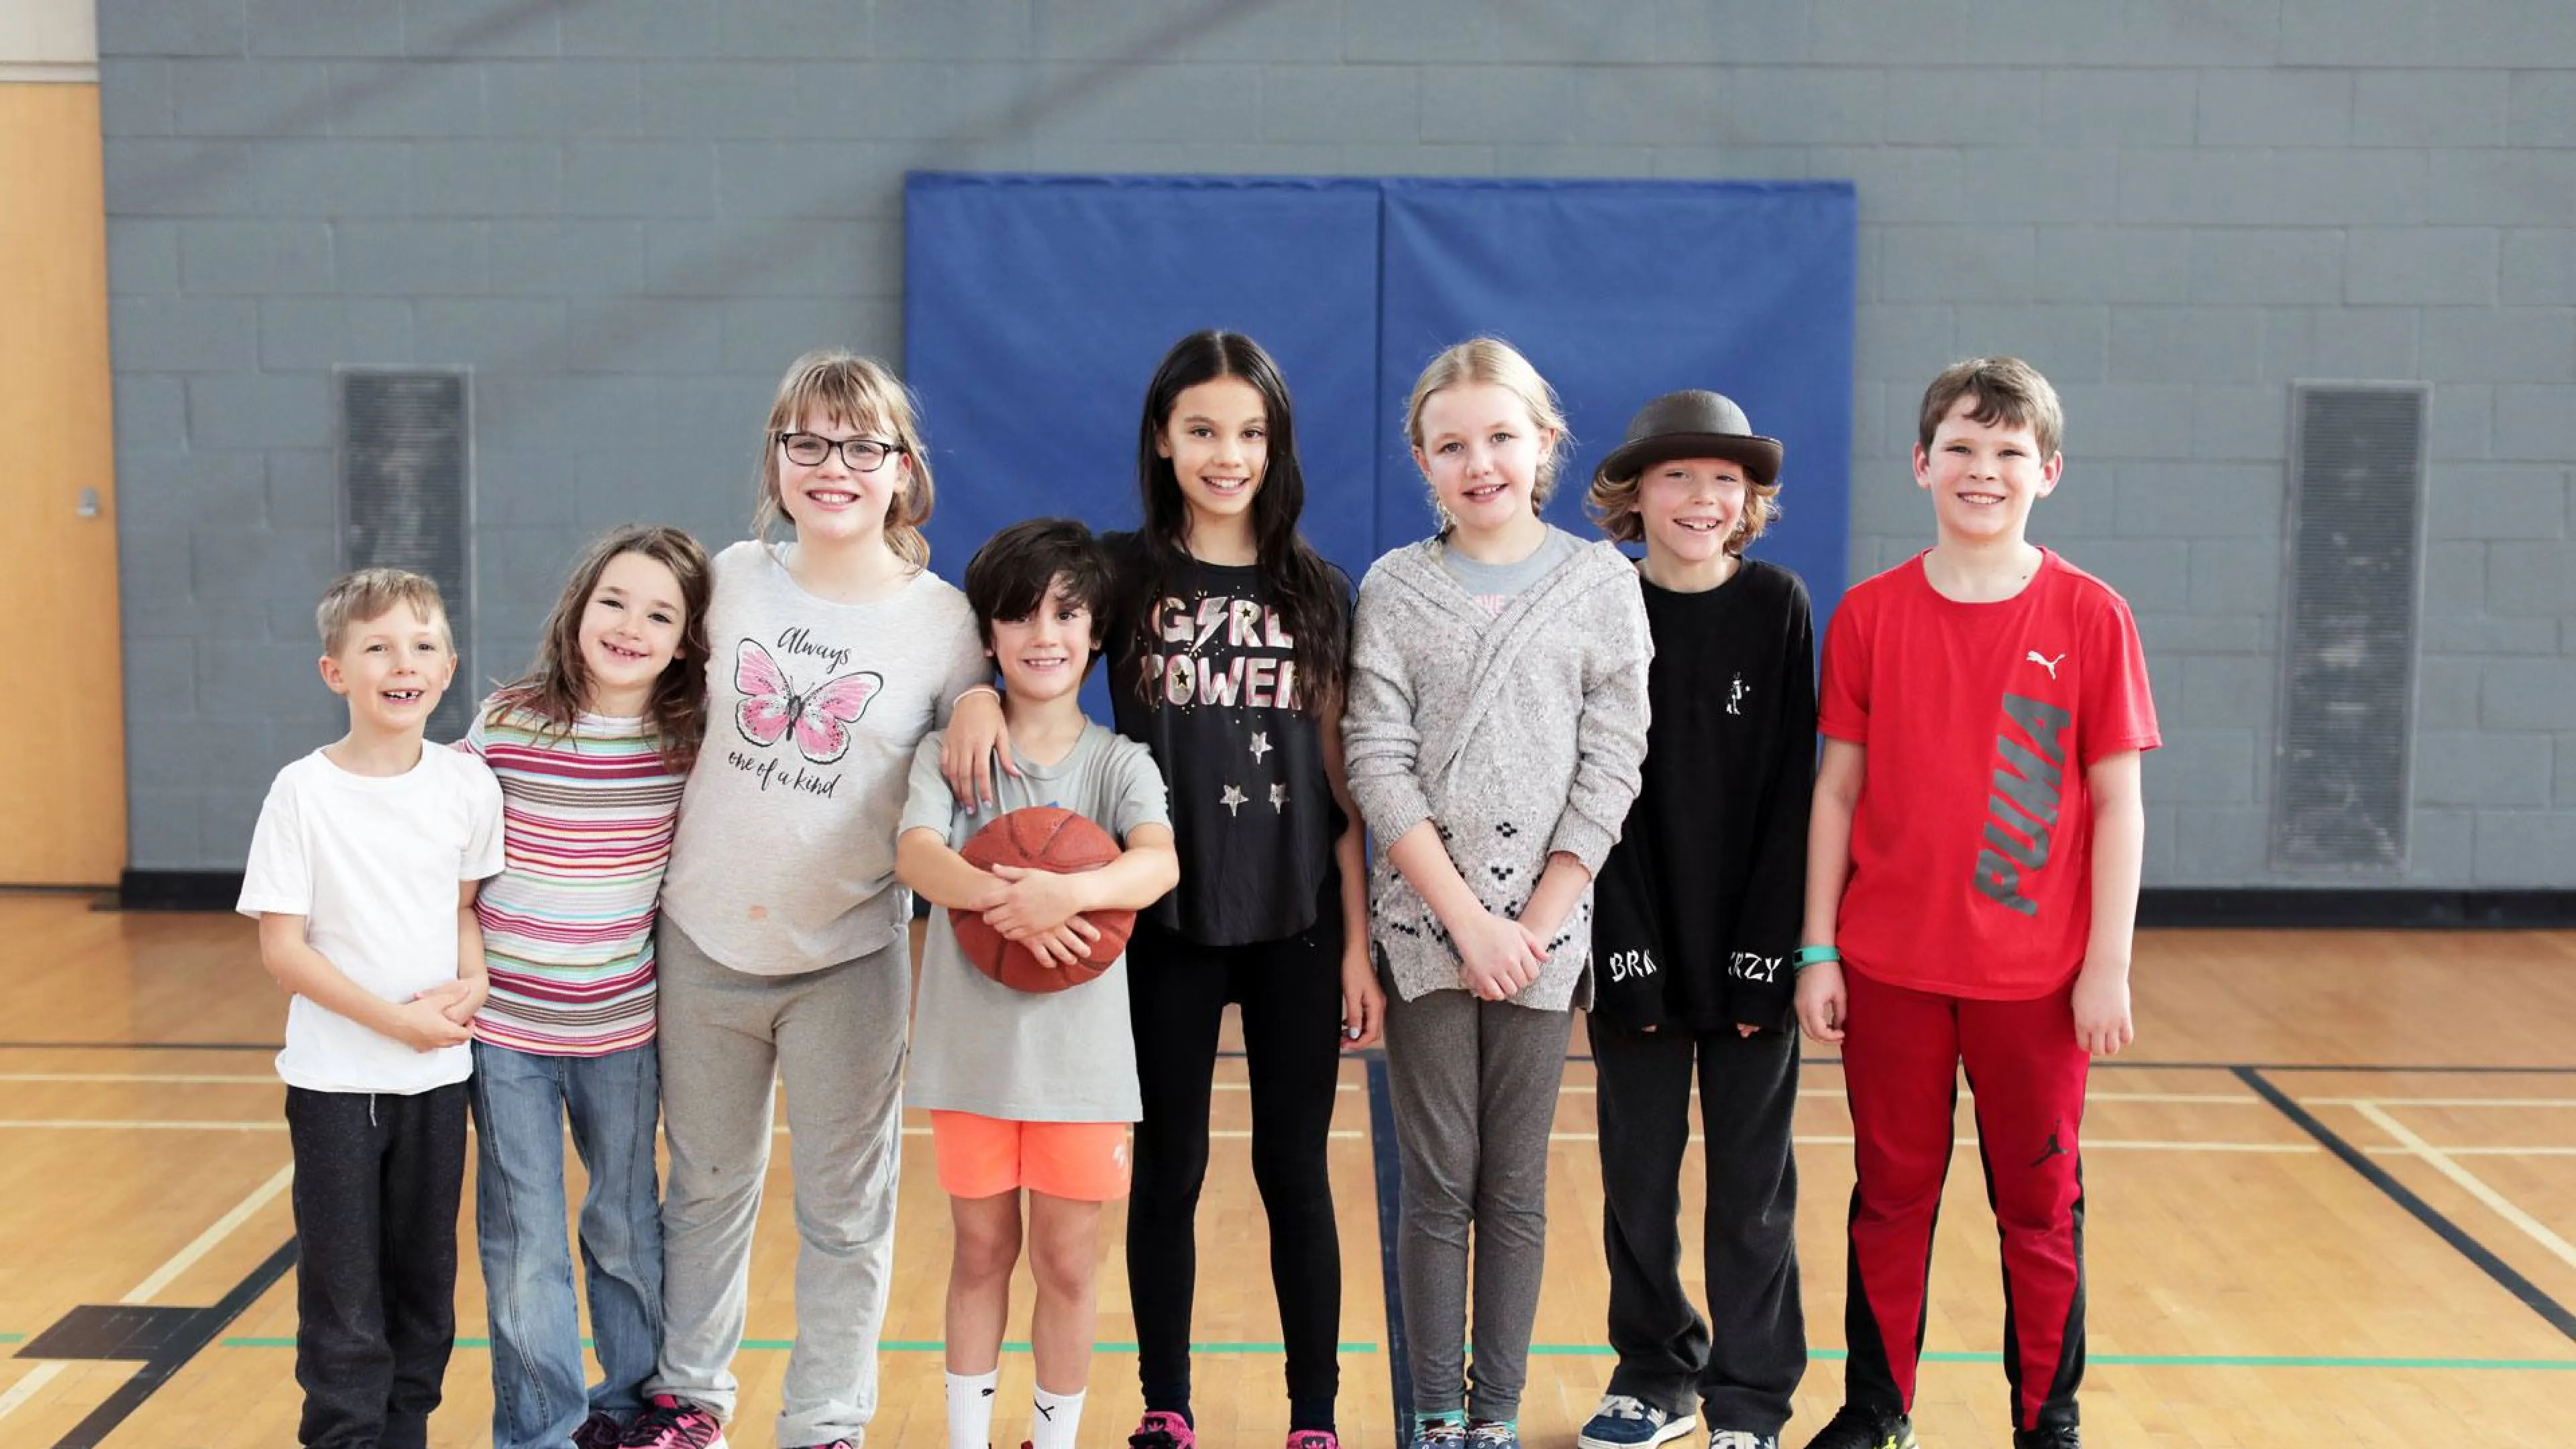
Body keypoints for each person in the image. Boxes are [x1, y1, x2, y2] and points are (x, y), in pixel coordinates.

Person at [621, 351, 1001, 1449]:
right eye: (807, 443)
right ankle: (691, 1401)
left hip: (847, 956)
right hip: (700, 941)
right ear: (778, 461)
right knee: (704, 1191)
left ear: (902, 471)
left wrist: (975, 702)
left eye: (860, 446)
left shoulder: (943, 622)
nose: (833, 466)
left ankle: (828, 1419)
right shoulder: (728, 578)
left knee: (847, 1212)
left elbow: (985, 709)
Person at [1794, 357, 2159, 1449]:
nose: (1982, 470)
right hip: (1892, 971)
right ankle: (1877, 1411)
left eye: (2008, 453)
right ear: (1920, 465)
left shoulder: (2093, 617)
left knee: (2040, 1212)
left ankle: (2047, 1421)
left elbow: (2119, 804)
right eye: (1960, 447)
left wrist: (2108, 963)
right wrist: (1819, 949)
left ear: (2047, 471)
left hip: (2037, 987)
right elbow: (1838, 792)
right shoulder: (1868, 615)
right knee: (1889, 1200)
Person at [1343, 337, 1653, 1449]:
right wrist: (1463, 921)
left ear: (1546, 446)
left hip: (1543, 937)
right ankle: (1431, 1411)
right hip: (1429, 932)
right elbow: (1377, 757)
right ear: (1422, 461)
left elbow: (1613, 759)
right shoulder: (1394, 586)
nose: (1481, 464)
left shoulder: (1600, 585)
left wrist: (1533, 923)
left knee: (1514, 1189)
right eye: (1452, 445)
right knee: (1436, 1183)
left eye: (1502, 438)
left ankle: (1496, 1415)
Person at [896, 517, 1179, 1449]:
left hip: (1084, 1070)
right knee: (980, 1253)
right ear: (988, 639)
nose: (1044, 636)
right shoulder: (955, 751)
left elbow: (1158, 866)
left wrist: (1070, 893)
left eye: (1067, 614)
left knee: (1066, 1263)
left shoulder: (1118, 762)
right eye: (1019, 618)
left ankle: (1052, 1441)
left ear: (1096, 632)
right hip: (971, 1056)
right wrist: (1000, 899)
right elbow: (917, 858)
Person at [1576, 392, 1817, 1449]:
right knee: (1638, 1174)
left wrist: (1775, 951)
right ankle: (1654, 1370)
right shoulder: (1599, 604)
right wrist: (1619, 943)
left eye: (1725, 479)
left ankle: (1751, 1399)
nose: (1702, 497)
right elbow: (1589, 790)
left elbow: (1792, 792)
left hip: (1750, 944)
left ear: (1750, 500)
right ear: (1634, 494)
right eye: (1678, 475)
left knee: (1752, 1189)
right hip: (1633, 935)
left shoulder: (1778, 606)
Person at [238, 567, 505, 1449]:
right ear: (336, 672)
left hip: (437, 1082)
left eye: (423, 645)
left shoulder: (468, 785)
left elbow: (463, 911)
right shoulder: (302, 793)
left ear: (449, 667)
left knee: (425, 1299)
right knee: (345, 1304)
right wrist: (395, 1023)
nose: (404, 661)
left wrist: (476, 985)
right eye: (379, 645)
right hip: (335, 1087)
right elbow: (284, 951)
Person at [462, 525, 712, 1449]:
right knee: (523, 1241)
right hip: (507, 1032)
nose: (631, 625)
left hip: (621, 1030)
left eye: (659, 613)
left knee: (622, 1224)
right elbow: (442, 846)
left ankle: (630, 1407)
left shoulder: (690, 742)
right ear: (578, 608)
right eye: (615, 600)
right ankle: (541, 1428)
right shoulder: (508, 722)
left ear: (686, 641)